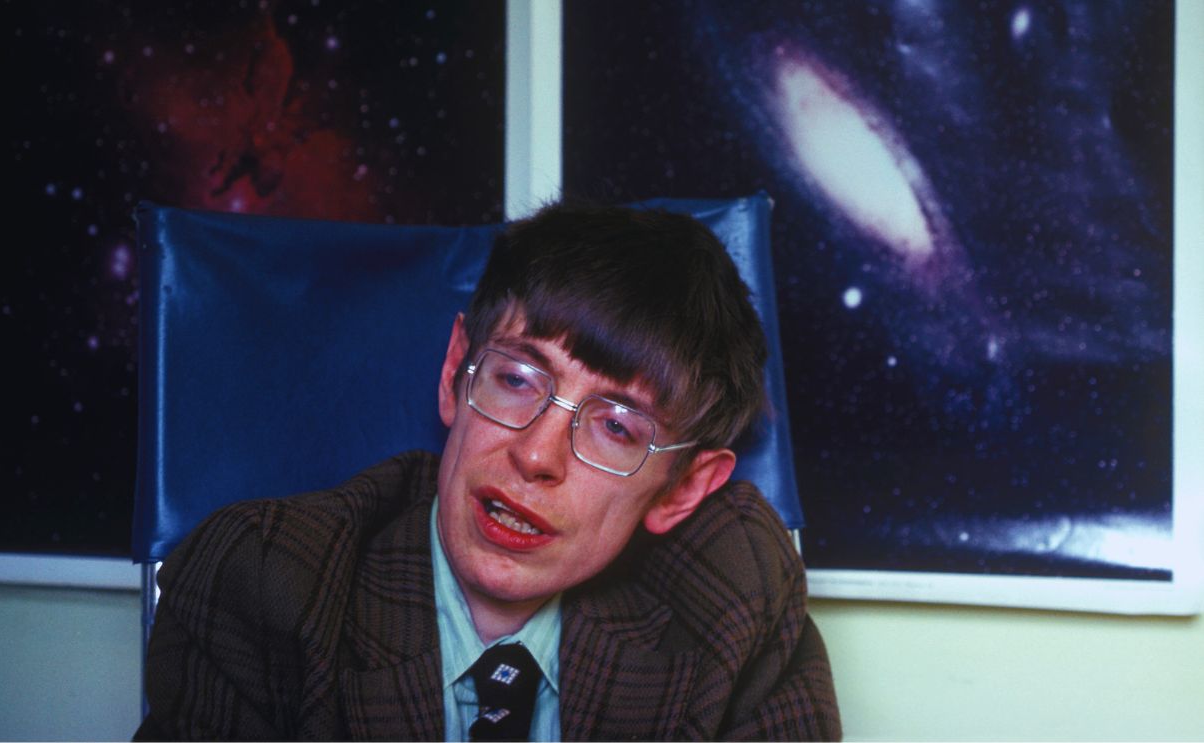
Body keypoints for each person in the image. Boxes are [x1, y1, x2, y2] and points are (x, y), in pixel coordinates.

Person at [136, 203, 841, 741]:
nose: (535, 455)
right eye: (515, 380)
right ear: (454, 371)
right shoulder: (260, 579)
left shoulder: (734, 602)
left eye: (617, 426)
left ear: (683, 487)